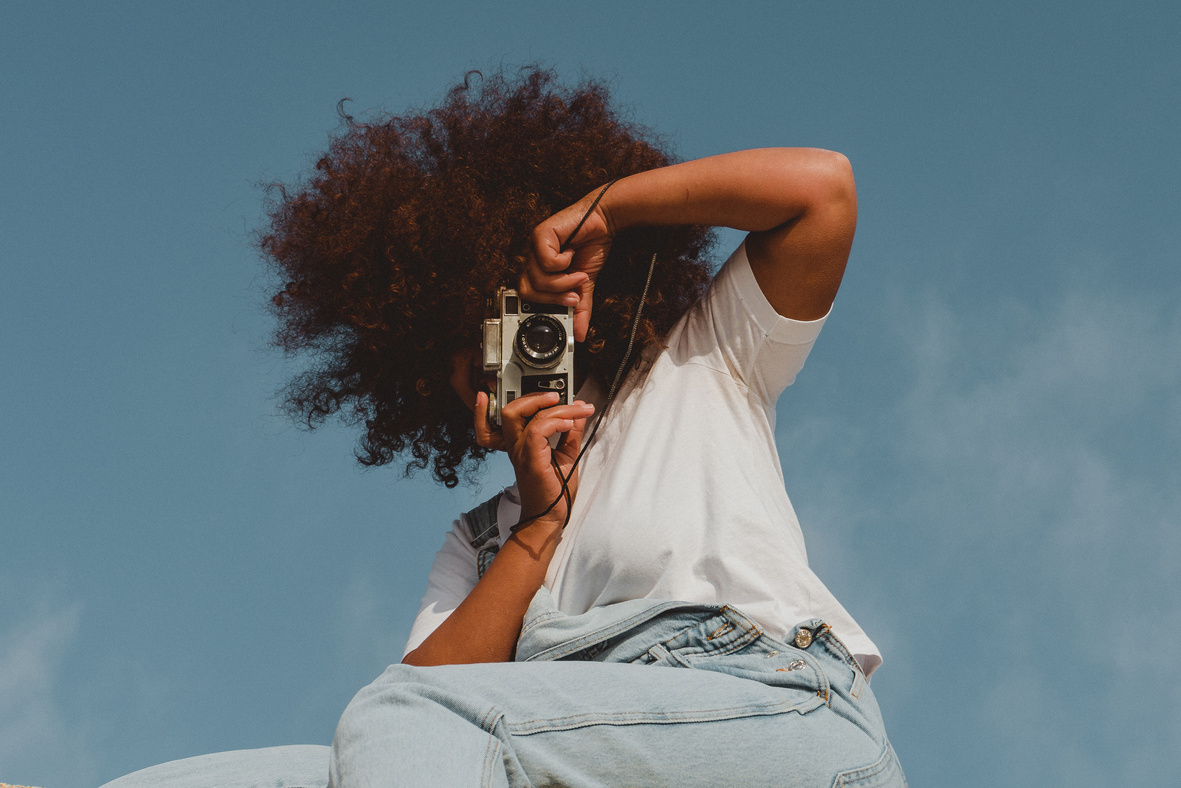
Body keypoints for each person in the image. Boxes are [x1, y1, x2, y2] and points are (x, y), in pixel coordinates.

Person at [99, 68, 904, 788]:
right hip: (588, 744)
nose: (496, 357)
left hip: (776, 712)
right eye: (464, 346)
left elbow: (820, 190)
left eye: (514, 321)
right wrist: (538, 528)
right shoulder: (482, 539)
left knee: (403, 722)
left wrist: (603, 209)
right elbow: (417, 692)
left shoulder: (700, 362)